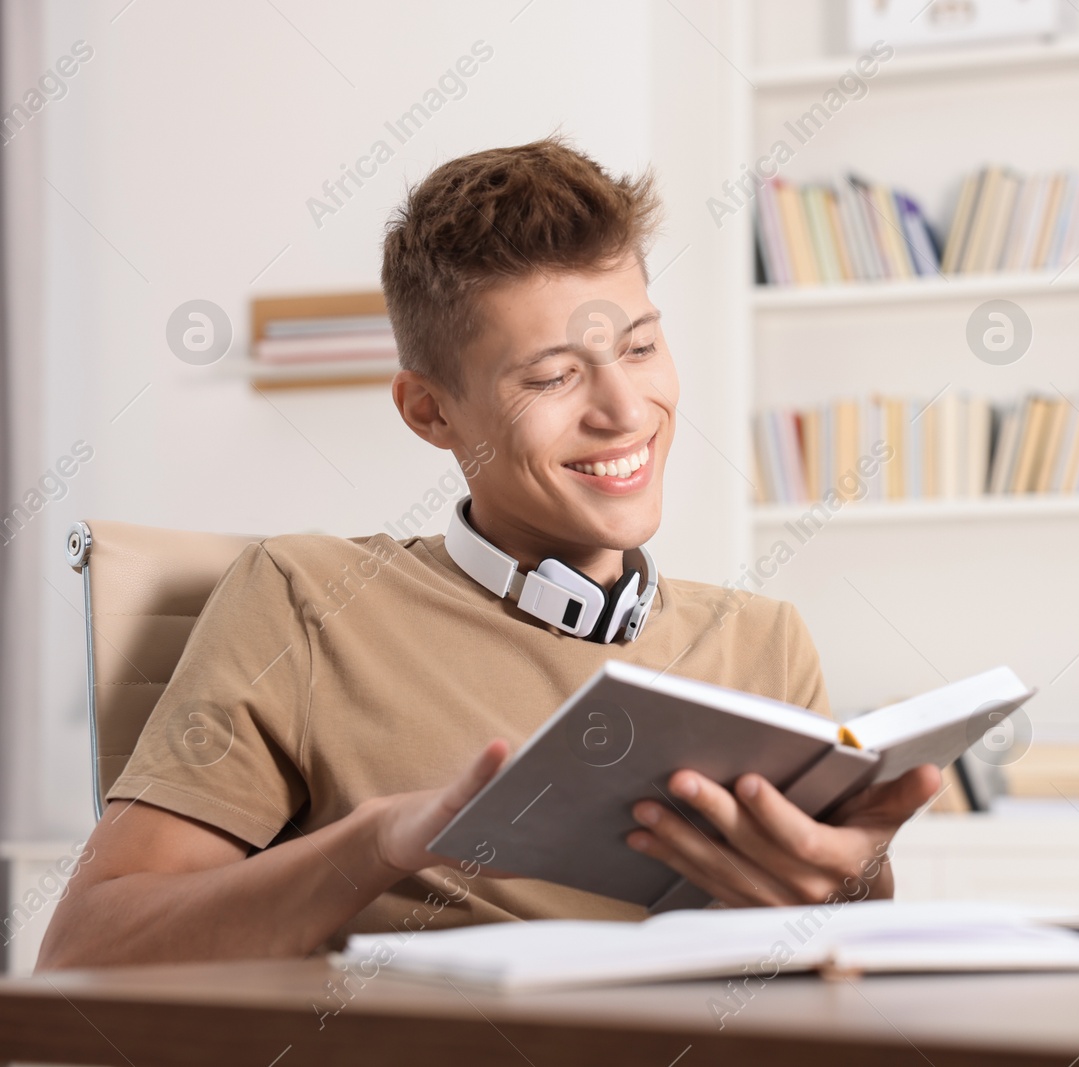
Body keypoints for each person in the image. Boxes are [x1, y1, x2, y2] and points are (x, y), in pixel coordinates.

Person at [36, 138, 940, 969]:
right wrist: (376, 844)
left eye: (640, 346)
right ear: (430, 411)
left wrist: (852, 882)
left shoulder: (763, 640)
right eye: (552, 376)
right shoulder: (305, 599)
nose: (625, 409)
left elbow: (831, 946)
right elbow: (85, 952)